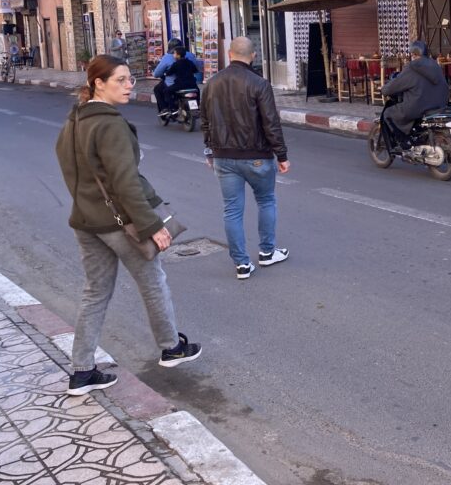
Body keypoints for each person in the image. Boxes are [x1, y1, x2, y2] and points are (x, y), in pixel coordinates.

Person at [55, 55, 201, 396]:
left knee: (95, 293)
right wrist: (151, 225)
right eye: (120, 80)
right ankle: (171, 347)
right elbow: (126, 183)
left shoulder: (74, 120)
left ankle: (82, 370)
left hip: (85, 221)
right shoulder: (109, 124)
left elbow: (71, 170)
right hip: (118, 224)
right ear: (98, 84)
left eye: (130, 79)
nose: (128, 86)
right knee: (153, 281)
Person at [200, 36, 290, 280]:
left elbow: (205, 121)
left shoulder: (211, 83)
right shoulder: (259, 84)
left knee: (232, 210)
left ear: (229, 54)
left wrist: (209, 150)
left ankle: (241, 264)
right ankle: (267, 252)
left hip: (223, 157)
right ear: (253, 56)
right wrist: (281, 155)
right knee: (266, 201)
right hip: (257, 156)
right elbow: (271, 123)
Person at [380, 40, 449, 148]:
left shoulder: (412, 67)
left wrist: (384, 90)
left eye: (412, 54)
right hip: (440, 105)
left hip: (418, 107)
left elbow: (396, 84)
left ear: (414, 54)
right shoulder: (436, 65)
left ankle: (404, 142)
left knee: (388, 113)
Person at [153, 39, 201, 113]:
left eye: (174, 53)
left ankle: (167, 109)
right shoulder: (190, 57)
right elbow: (197, 69)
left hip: (177, 84)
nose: (173, 55)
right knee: (197, 91)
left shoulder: (170, 60)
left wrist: (165, 73)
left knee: (159, 89)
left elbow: (157, 74)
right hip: (192, 83)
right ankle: (198, 105)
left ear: (177, 54)